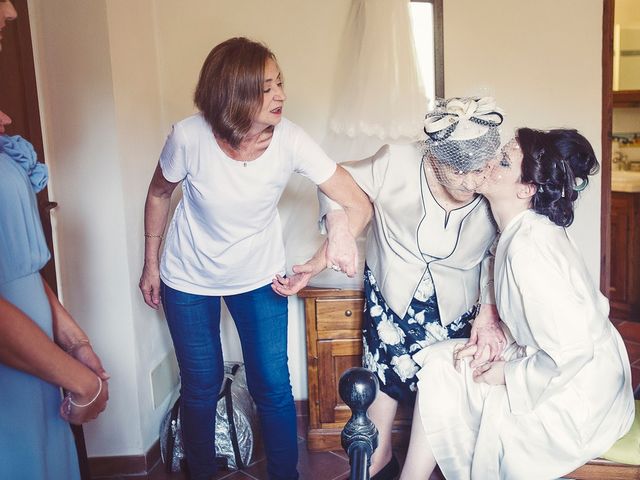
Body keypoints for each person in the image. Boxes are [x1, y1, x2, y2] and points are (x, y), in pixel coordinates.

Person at [138, 37, 371, 480]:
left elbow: (357, 203)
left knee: (272, 385)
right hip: (188, 277)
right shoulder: (188, 136)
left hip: (259, 275)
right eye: (266, 88)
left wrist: (319, 259)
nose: (280, 95)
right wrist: (151, 263)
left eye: (279, 83)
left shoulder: (291, 140)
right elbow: (158, 194)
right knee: (201, 387)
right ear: (232, 92)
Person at [273, 97, 507, 478]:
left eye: (479, 171)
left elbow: (500, 249)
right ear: (434, 157)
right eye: (459, 172)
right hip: (391, 310)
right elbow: (330, 183)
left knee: (440, 415)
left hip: (455, 314)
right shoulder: (395, 161)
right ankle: (380, 464)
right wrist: (337, 233)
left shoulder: (494, 175)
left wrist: (488, 312)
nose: (472, 182)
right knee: (378, 420)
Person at [400, 128, 635, 480]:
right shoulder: (522, 229)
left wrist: (506, 374)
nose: (490, 162)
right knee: (441, 362)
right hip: (569, 370)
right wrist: (490, 320)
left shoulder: (530, 250)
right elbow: (497, 265)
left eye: (504, 161)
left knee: (446, 373)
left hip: (580, 400)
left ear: (525, 189)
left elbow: (572, 349)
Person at [0, 2, 110, 478]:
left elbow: (15, 266)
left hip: (35, 363)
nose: (10, 10)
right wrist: (83, 383)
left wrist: (73, 339)